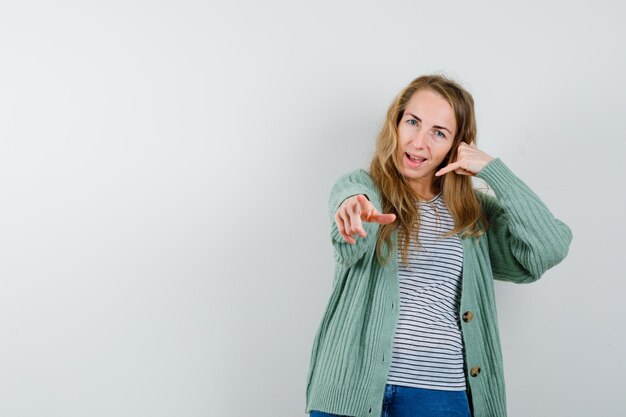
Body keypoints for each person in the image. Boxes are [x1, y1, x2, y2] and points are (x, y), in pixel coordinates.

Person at [304, 74, 572, 417]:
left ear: (457, 146)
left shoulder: (474, 217)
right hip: (349, 391)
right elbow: (348, 242)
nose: (418, 141)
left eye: (439, 132)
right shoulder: (363, 188)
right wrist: (352, 213)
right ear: (396, 124)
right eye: (412, 122)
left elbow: (547, 249)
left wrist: (493, 171)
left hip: (438, 396)